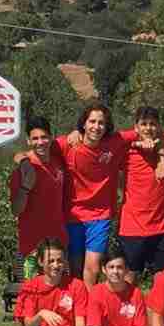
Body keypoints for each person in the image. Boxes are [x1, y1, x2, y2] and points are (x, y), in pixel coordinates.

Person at [9, 116, 68, 326]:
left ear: (51, 138)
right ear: (28, 140)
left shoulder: (58, 162)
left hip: (58, 242)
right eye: (35, 138)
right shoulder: (22, 169)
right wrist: (25, 185)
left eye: (44, 137)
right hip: (31, 244)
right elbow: (16, 209)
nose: (40, 142)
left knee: (59, 293)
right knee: (25, 295)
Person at [56, 102, 128, 287]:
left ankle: (90, 311)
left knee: (93, 267)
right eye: (92, 121)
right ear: (84, 123)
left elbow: (143, 131)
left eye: (101, 123)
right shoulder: (68, 144)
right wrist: (23, 159)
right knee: (75, 266)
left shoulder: (115, 142)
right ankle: (77, 308)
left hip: (100, 215)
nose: (96, 127)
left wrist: (158, 153)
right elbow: (40, 146)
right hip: (73, 216)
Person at [115, 106, 164, 284]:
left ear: (159, 126)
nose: (148, 128)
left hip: (161, 226)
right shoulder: (126, 149)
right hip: (133, 226)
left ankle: (159, 312)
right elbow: (114, 138)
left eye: (152, 124)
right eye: (143, 124)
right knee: (129, 278)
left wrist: (161, 157)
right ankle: (125, 311)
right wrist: (136, 142)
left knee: (163, 280)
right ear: (136, 126)